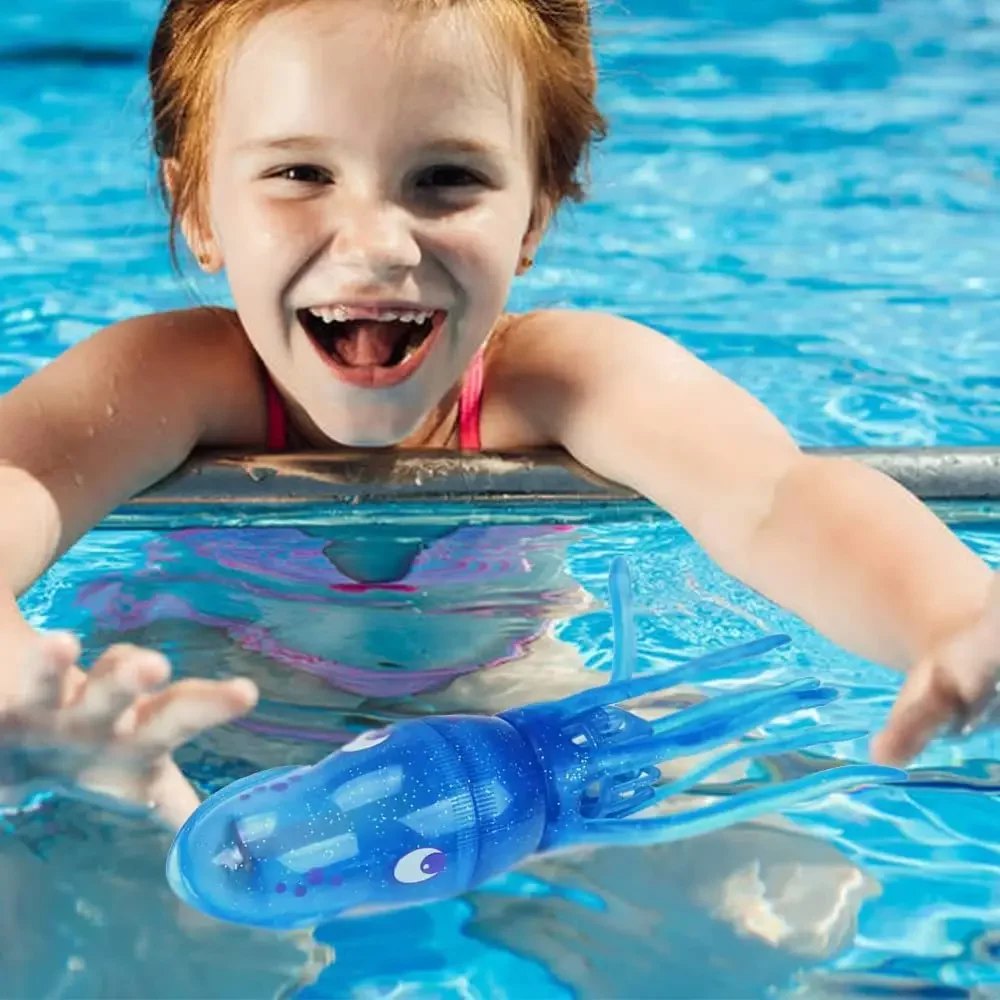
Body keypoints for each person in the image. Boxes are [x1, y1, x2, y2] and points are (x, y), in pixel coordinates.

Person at [0, 0, 997, 828]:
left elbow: (774, 497)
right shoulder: (174, 374)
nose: (379, 243)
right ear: (203, 212)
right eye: (300, 174)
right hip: (207, 725)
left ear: (534, 218)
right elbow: (19, 480)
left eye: (447, 180)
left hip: (503, 718)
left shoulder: (565, 375)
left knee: (765, 889)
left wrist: (951, 612)